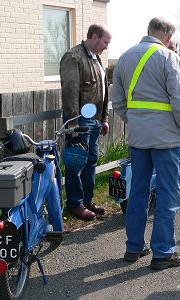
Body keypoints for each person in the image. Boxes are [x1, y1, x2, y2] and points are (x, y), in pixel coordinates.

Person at [112, 17, 180, 270]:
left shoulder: (124, 58)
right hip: (167, 139)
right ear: (168, 37)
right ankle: (163, 252)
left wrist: (136, 121)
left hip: (139, 138)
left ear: (148, 31)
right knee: (168, 193)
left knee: (138, 192)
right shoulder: (169, 58)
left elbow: (118, 102)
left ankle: (134, 247)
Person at [60, 24, 112, 221]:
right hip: (79, 120)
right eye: (105, 42)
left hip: (95, 120)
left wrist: (104, 119)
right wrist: (73, 122)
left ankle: (87, 200)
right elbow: (70, 91)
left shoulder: (97, 59)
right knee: (76, 162)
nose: (106, 46)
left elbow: (104, 92)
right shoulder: (73, 57)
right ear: (95, 37)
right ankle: (75, 204)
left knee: (91, 161)